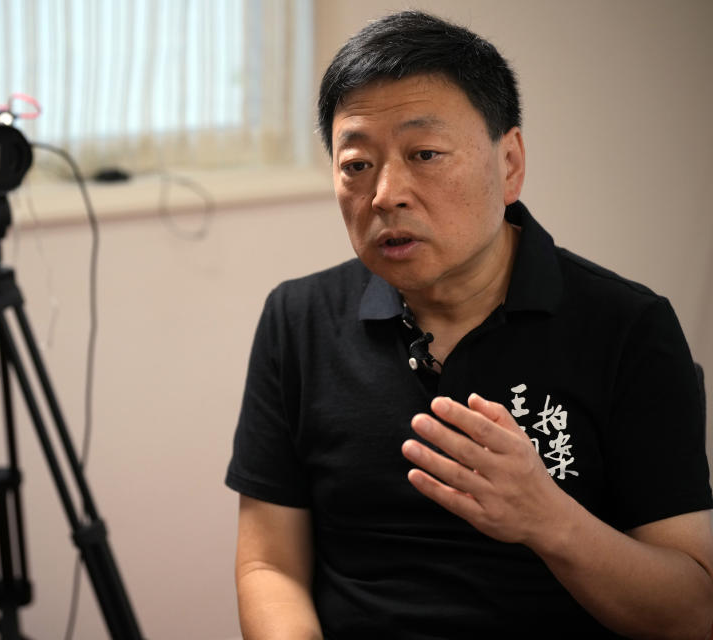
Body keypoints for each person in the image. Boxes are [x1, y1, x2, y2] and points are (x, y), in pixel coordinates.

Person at [225, 10, 713, 639]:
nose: (386, 194)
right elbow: (269, 565)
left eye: (425, 153)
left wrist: (547, 519)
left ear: (509, 163)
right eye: (357, 165)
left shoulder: (628, 327)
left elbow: (694, 610)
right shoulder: (298, 318)